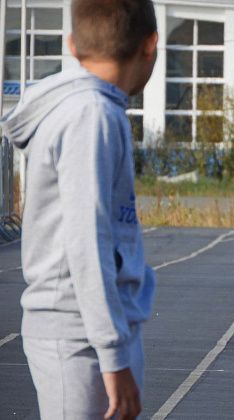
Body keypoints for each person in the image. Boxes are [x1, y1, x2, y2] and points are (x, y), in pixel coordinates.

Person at [0, 1, 158, 418]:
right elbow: (86, 242)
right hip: (78, 337)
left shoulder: (95, 109)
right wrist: (113, 355)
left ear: (72, 44)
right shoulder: (92, 115)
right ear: (150, 44)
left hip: (86, 331)